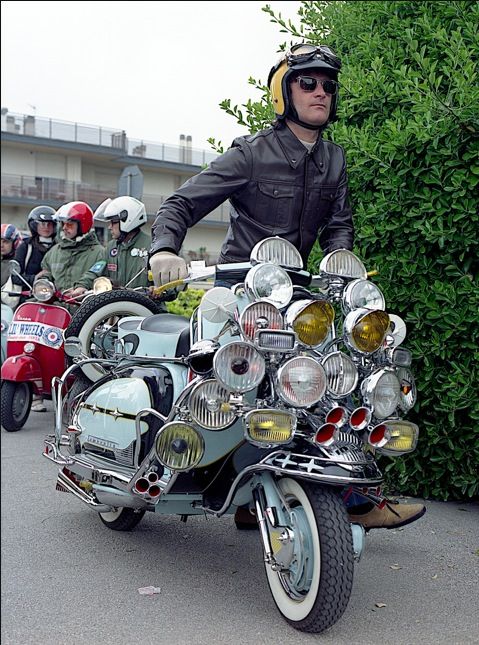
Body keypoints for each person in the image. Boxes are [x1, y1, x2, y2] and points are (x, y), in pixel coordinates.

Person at [148, 43, 425, 531]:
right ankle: (181, 463)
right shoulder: (251, 154)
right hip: (242, 288)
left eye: (328, 86)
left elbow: (339, 227)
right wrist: (164, 250)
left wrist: (345, 270)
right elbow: (180, 204)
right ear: (284, 92)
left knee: (348, 370)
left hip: (302, 292)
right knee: (223, 378)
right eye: (309, 83)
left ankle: (356, 494)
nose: (321, 91)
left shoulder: (334, 160)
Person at [40, 201, 105, 299]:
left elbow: (95, 275)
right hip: (57, 307)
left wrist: (82, 287)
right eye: (63, 224)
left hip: (84, 308)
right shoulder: (54, 252)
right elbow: (46, 273)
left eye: (70, 225)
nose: (65, 228)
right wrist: (43, 283)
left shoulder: (99, 253)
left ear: (83, 225)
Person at [94, 196, 151, 288]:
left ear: (128, 220)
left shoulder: (151, 246)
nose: (109, 227)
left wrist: (157, 291)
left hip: (143, 302)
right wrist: (82, 286)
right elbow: (96, 271)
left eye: (114, 222)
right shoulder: (111, 247)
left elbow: (169, 286)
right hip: (117, 302)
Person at [12, 206, 57, 304]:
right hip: (28, 299)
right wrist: (36, 278)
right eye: (42, 223)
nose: (46, 227)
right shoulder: (25, 246)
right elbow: (15, 277)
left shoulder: (60, 248)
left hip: (56, 299)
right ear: (34, 225)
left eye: (50, 224)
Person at [1, 224, 23, 308]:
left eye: (5, 242)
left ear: (15, 243)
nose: (1, 245)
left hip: (9, 309)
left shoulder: (18, 263)